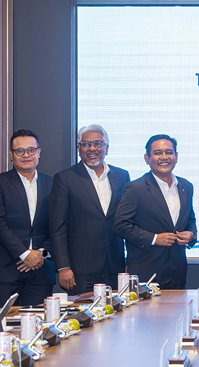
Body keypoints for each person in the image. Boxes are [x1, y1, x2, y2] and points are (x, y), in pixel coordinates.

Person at [49, 124, 129, 294]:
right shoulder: (65, 178)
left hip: (115, 266)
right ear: (79, 149)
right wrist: (63, 266)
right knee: (83, 311)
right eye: (86, 144)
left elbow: (127, 222)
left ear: (107, 148)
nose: (92, 148)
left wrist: (130, 261)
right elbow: (57, 227)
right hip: (80, 270)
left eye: (98, 143)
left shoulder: (122, 176)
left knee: (116, 309)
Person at [114, 135, 197, 289]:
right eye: (158, 153)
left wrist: (191, 235)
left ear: (176, 156)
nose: (164, 157)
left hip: (177, 273)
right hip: (147, 275)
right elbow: (120, 225)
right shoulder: (136, 188)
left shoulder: (186, 186)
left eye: (169, 152)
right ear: (147, 158)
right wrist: (154, 238)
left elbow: (190, 219)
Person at [0, 129, 54, 309]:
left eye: (31, 150)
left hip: (41, 271)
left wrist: (40, 254)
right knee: (1, 323)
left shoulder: (52, 184)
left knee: (40, 323)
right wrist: (24, 255)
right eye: (19, 151)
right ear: (11, 154)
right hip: (6, 271)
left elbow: (57, 226)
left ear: (39, 152)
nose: (26, 155)